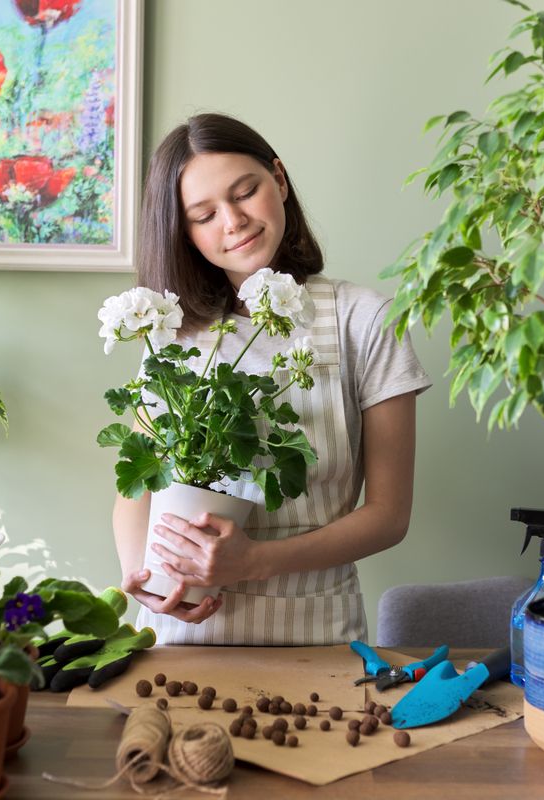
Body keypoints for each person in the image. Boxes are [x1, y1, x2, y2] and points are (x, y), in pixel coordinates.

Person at [113, 113, 430, 645]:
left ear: (279, 181)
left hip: (312, 631)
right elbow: (136, 485)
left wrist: (256, 561)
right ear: (183, 231)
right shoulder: (167, 328)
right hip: (180, 627)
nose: (232, 221)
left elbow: (388, 515)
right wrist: (140, 578)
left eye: (245, 192)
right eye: (204, 214)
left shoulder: (364, 320)